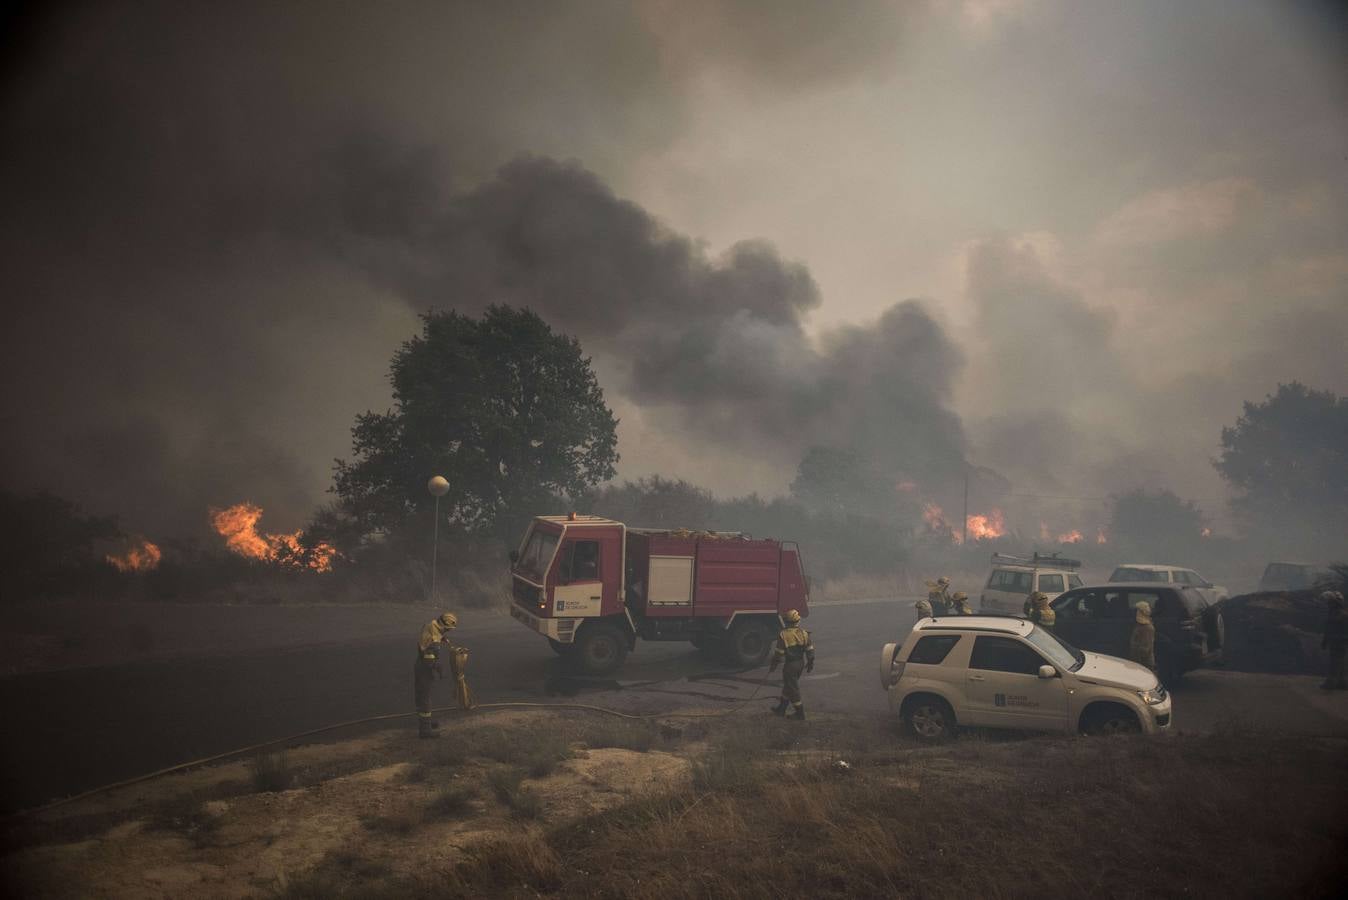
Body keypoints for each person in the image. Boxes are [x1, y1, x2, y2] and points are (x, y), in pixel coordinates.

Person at [415, 612, 461, 739]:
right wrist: (438, 667)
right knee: (424, 698)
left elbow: (430, 635)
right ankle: (425, 730)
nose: (448, 631)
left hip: (421, 664)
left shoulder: (432, 625)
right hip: (424, 668)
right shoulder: (434, 640)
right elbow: (429, 659)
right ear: (444, 625)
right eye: (448, 629)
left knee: (423, 696)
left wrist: (442, 637)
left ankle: (427, 723)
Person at [769, 609, 815, 721]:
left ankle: (800, 713)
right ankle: (781, 709)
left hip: (790, 666)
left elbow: (778, 654)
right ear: (798, 621)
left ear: (787, 622)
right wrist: (810, 663)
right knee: (788, 686)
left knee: (792, 689)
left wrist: (773, 666)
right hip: (800, 663)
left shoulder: (784, 635)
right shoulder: (804, 634)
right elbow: (810, 651)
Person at [1320, 591, 1346, 691]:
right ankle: (1342, 682)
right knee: (1341, 662)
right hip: (1338, 641)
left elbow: (1330, 629)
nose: (1328, 604)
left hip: (1339, 641)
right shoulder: (1337, 614)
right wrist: (1325, 641)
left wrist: (1325, 641)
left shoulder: (1339, 615)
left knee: (1335, 662)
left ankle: (1330, 683)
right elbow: (1328, 629)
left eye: (1330, 602)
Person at [1130, 601, 1156, 672]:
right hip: (1139, 661)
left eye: (1137, 610)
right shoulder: (1140, 625)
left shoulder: (1147, 628)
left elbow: (1145, 649)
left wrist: (1138, 662)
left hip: (1144, 663)